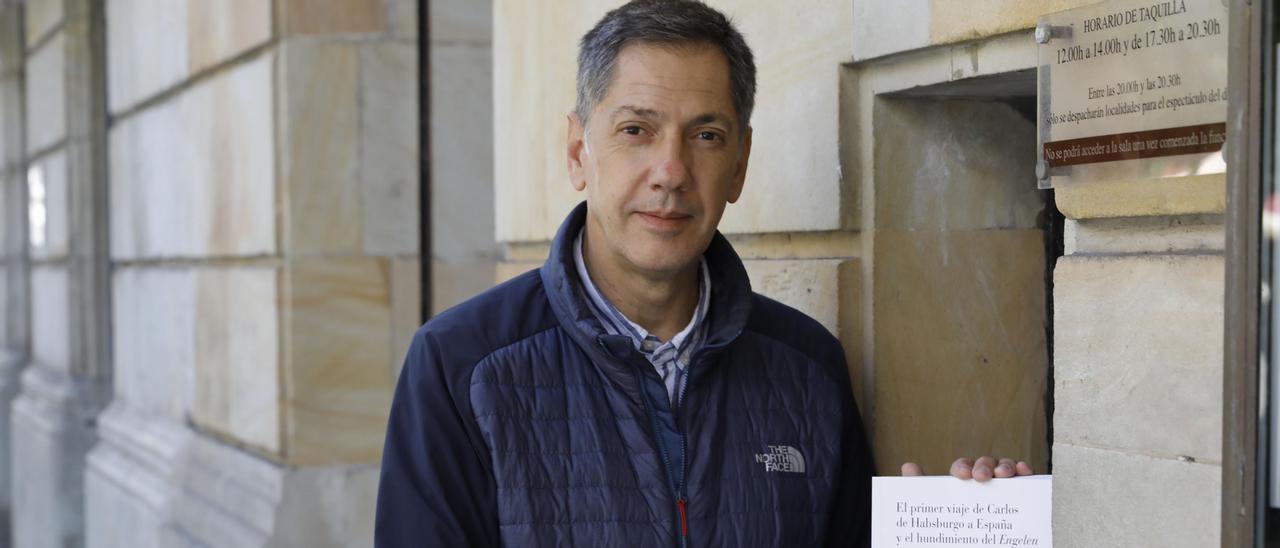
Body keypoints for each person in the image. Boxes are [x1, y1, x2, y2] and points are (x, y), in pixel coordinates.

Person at [374, 1, 1030, 546]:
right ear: (579, 153)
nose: (672, 171)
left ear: (740, 164)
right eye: (636, 130)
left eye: (706, 136)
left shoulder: (808, 368)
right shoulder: (460, 367)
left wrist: (964, 527)